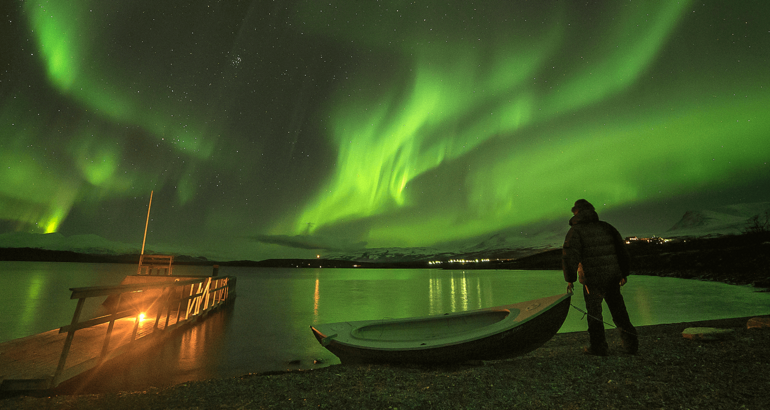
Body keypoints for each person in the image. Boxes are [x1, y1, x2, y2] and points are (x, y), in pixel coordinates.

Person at [562, 199, 638, 356]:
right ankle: (631, 345)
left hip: (592, 280)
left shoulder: (576, 231)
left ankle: (599, 347)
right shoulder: (607, 227)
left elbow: (570, 256)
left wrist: (570, 279)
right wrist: (624, 274)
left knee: (594, 314)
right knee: (619, 312)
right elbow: (622, 251)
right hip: (613, 277)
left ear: (576, 212)